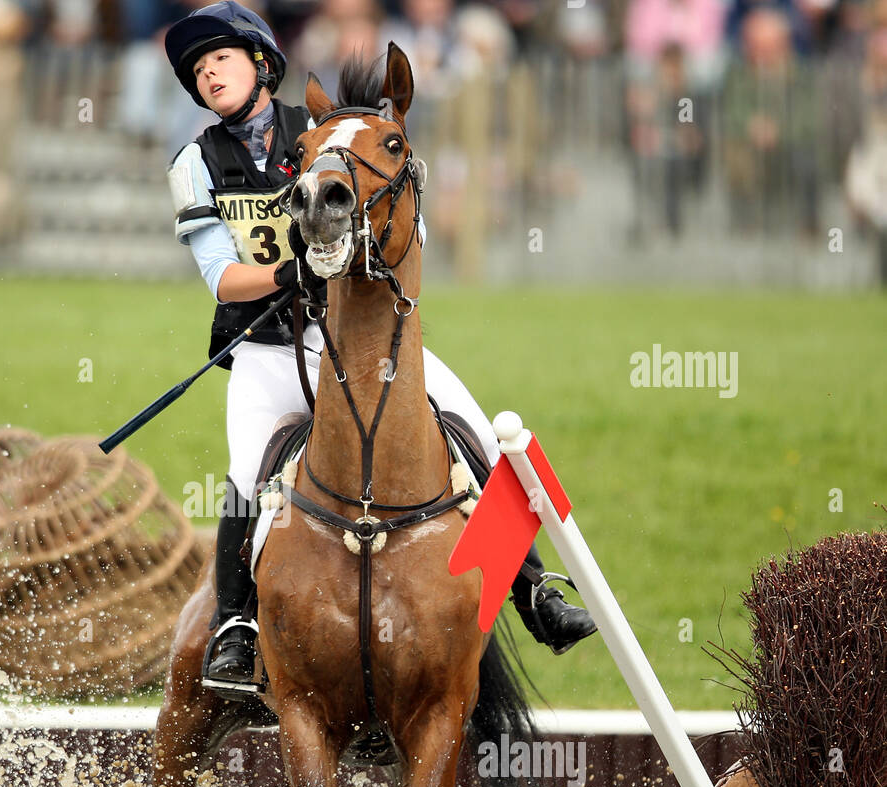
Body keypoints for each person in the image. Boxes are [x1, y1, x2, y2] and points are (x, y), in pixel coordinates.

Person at [163, 1, 595, 688]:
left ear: (262, 65)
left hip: (357, 337)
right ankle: (236, 629)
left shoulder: (329, 134)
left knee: (485, 440)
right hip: (269, 350)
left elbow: (394, 218)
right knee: (248, 475)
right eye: (198, 70)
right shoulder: (195, 162)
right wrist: (289, 273)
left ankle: (534, 592)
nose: (209, 74)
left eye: (221, 59)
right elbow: (221, 280)